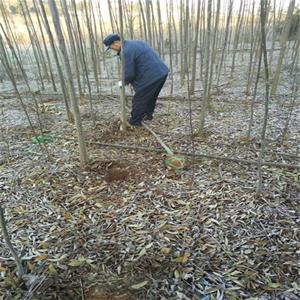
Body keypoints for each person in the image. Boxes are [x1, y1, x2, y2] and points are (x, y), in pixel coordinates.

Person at [103, 34, 169, 126]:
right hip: (162, 72)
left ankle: (135, 123)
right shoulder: (137, 43)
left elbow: (129, 73)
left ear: (116, 43)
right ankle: (147, 115)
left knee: (139, 100)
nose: (112, 49)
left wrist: (122, 83)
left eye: (111, 47)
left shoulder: (126, 51)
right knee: (151, 97)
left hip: (151, 77)